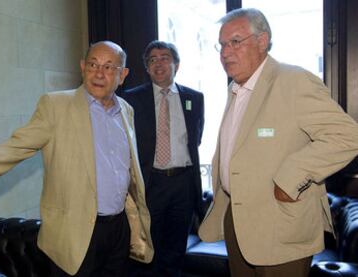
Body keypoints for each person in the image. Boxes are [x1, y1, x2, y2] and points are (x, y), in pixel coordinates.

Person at [0, 41, 154, 277]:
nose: (98, 73)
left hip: (118, 229)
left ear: (123, 75)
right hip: (75, 234)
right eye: (93, 64)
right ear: (82, 66)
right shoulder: (56, 105)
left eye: (108, 67)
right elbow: (19, 145)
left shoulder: (126, 110)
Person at [198, 8, 358, 277]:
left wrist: (291, 177)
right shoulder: (235, 89)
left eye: (235, 42)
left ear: (262, 41)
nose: (225, 52)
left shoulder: (293, 80)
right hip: (238, 225)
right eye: (222, 44)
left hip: (280, 227)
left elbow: (347, 136)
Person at [122, 40, 204, 276]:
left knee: (176, 248)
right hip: (151, 183)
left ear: (176, 65)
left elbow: (195, 138)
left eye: (165, 57)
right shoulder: (131, 98)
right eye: (152, 60)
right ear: (147, 68)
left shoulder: (195, 98)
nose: (159, 63)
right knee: (148, 248)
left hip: (183, 184)